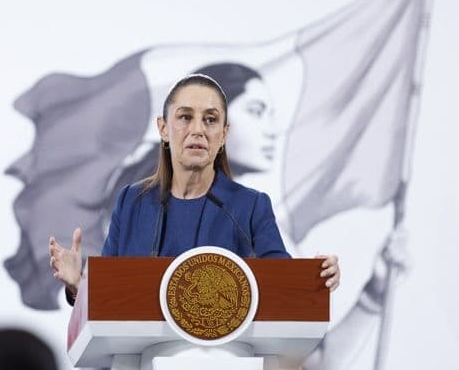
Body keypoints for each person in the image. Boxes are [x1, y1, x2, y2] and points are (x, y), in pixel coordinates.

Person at [48, 73, 340, 303]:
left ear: (224, 134)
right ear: (163, 128)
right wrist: (77, 285)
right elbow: (108, 293)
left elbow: (284, 285)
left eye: (210, 120)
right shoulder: (131, 201)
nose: (198, 130)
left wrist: (315, 278)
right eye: (185, 117)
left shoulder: (250, 207)